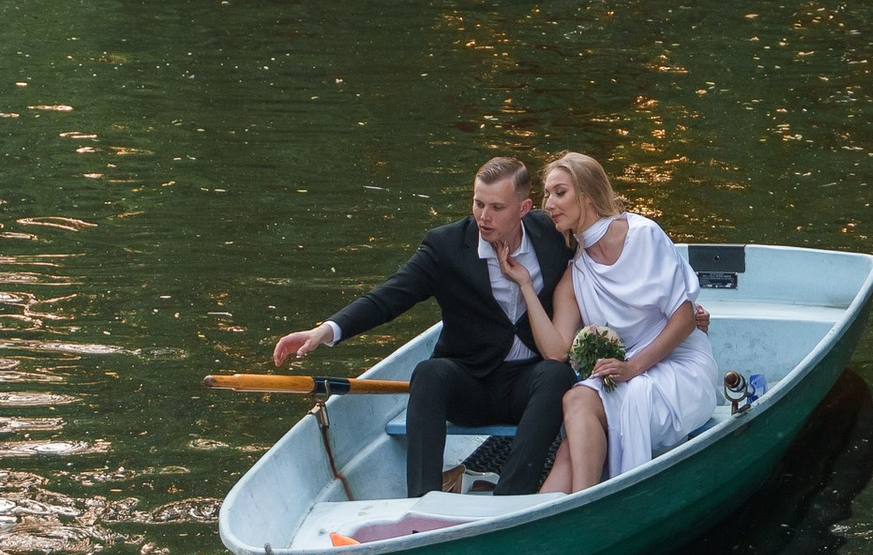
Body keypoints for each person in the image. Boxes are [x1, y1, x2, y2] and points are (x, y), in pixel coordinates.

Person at [271, 157, 575, 498]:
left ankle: (511, 496)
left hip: (527, 384)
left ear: (524, 208)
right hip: (470, 385)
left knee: (557, 375)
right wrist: (325, 331)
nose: (483, 217)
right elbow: (388, 298)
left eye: (496, 207)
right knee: (429, 373)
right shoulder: (445, 247)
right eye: (478, 203)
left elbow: (598, 243)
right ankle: (421, 499)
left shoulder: (551, 234)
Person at [493, 151, 718, 495]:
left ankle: (580, 508)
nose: (549, 203)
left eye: (560, 192)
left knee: (582, 413)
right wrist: (525, 284)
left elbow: (685, 317)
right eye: (546, 194)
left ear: (586, 194)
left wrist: (631, 367)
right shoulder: (575, 275)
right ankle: (560, 511)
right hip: (622, 375)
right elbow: (556, 351)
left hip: (678, 369)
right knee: (575, 412)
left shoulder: (643, 236)